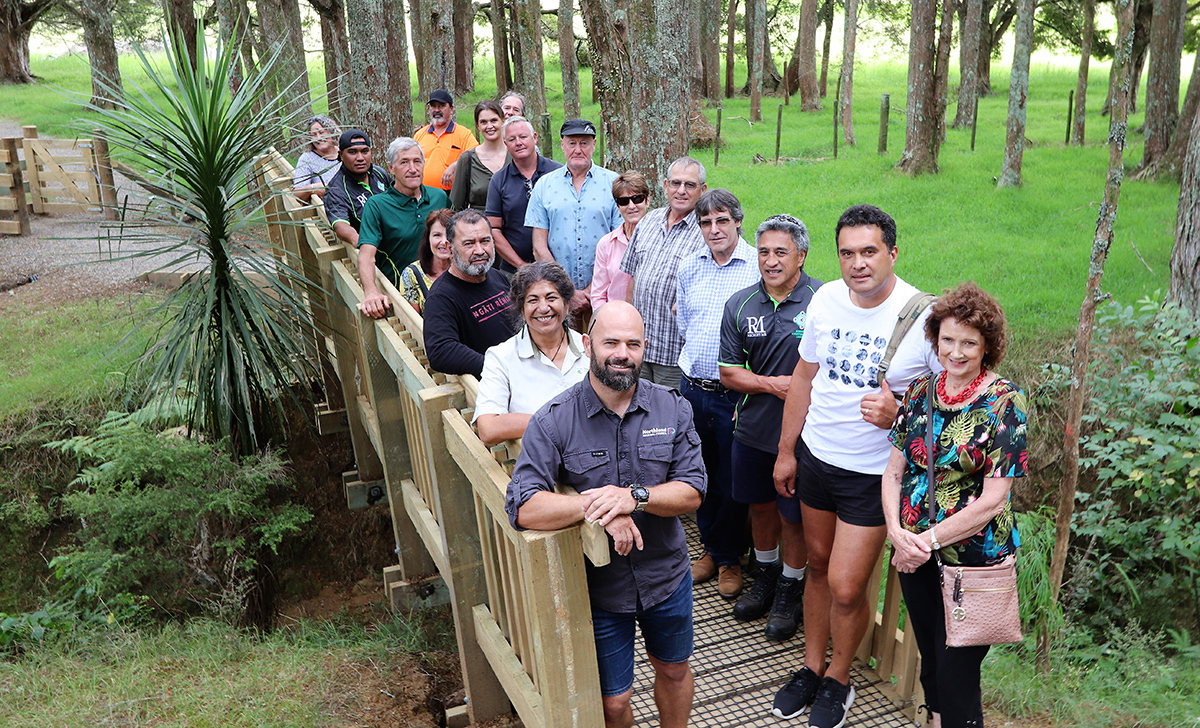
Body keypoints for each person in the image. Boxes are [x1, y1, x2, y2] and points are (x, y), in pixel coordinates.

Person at [770, 204, 941, 728]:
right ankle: (811, 667)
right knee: (816, 567)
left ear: (893, 252)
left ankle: (839, 680)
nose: (858, 263)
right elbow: (804, 375)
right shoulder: (824, 299)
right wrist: (786, 449)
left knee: (846, 585)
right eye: (847, 253)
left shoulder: (924, 318)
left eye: (870, 252)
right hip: (818, 456)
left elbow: (953, 405)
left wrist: (901, 415)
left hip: (873, 476)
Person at [504, 301, 705, 728]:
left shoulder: (673, 408)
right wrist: (597, 505)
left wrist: (634, 496)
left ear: (645, 348)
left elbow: (692, 491)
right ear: (586, 343)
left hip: (666, 576)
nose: (622, 353)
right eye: (610, 341)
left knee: (673, 670)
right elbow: (523, 506)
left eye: (633, 344)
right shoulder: (554, 420)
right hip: (597, 590)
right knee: (613, 702)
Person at [883, 282, 1027, 728]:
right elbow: (892, 473)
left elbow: (992, 500)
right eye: (948, 340)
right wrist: (896, 533)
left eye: (969, 343)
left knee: (958, 672)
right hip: (914, 554)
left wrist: (923, 540)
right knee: (931, 661)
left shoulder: (1006, 402)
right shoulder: (921, 391)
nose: (956, 352)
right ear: (935, 339)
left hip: (974, 563)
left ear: (988, 347)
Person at [719, 214, 823, 640]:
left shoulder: (824, 301)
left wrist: (795, 391)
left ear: (801, 255)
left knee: (793, 517)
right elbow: (728, 372)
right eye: (763, 251)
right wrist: (773, 385)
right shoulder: (740, 304)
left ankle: (790, 586)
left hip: (805, 438)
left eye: (781, 252)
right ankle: (764, 575)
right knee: (759, 507)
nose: (771, 260)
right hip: (753, 431)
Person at [674, 189, 759, 601]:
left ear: (738, 222)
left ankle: (728, 558)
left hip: (735, 395)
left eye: (722, 220)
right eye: (705, 223)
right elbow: (685, 325)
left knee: (730, 477)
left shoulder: (756, 268)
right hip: (693, 389)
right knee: (699, 473)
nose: (714, 230)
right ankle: (710, 548)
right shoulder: (689, 267)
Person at [473, 262, 589, 445]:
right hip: (539, 468)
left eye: (551, 298)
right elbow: (488, 428)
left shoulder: (590, 350)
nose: (543, 308)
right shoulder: (501, 356)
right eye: (533, 300)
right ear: (521, 309)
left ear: (567, 305)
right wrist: (556, 422)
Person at [618, 157, 708, 391]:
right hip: (639, 349)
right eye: (676, 183)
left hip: (675, 353)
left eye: (690, 185)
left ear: (703, 190)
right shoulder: (648, 221)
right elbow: (633, 280)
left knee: (669, 420)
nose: (681, 191)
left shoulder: (707, 232)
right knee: (635, 413)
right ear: (665, 185)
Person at [525, 118, 622, 317]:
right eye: (572, 143)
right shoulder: (544, 185)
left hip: (604, 294)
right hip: (557, 296)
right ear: (562, 145)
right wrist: (567, 290)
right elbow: (539, 246)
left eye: (584, 143)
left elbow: (619, 244)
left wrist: (591, 290)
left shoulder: (613, 183)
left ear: (594, 144)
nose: (578, 150)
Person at [357, 138, 450, 319]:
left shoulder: (439, 196)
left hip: (444, 289)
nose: (413, 169)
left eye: (417, 161)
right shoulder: (377, 205)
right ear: (391, 168)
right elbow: (366, 255)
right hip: (403, 298)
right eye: (404, 162)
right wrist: (371, 292)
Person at [423, 209, 516, 377]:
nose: (480, 250)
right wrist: (496, 368)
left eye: (485, 241)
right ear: (450, 249)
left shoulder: (497, 276)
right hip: (496, 386)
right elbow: (440, 351)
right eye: (469, 243)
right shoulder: (441, 297)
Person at [485, 116, 563, 273]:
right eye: (512, 139)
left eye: (523, 137)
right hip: (514, 270)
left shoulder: (558, 173)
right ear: (506, 144)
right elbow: (493, 229)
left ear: (534, 138)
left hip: (560, 266)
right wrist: (521, 265)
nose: (518, 143)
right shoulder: (499, 180)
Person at [589, 171, 648, 310]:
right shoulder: (606, 244)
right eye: (624, 201)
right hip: (615, 322)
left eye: (637, 199)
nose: (631, 206)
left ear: (648, 200)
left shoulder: (661, 241)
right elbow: (598, 295)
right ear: (617, 206)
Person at [323, 129, 391, 247]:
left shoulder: (379, 173)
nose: (360, 158)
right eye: (352, 152)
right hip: (374, 248)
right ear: (341, 155)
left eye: (365, 151)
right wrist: (362, 243)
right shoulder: (335, 189)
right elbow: (340, 225)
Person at [450, 100, 509, 212]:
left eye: (494, 120)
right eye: (483, 122)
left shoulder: (515, 156)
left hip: (514, 225)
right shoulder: (467, 159)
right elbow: (456, 206)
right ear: (477, 126)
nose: (489, 126)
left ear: (503, 121)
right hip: (479, 225)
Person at [414, 89, 479, 191]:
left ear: (451, 109)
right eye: (433, 106)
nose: (437, 110)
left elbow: (476, 156)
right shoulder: (420, 134)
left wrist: (455, 165)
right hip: (422, 194)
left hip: (451, 194)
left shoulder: (464, 134)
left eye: (442, 106)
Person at [398, 208, 454, 314]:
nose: (444, 242)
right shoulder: (412, 274)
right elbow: (413, 321)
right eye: (437, 235)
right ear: (428, 238)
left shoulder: (468, 269)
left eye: (449, 235)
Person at [293, 115, 341, 202]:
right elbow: (298, 194)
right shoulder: (307, 159)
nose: (319, 137)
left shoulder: (345, 153)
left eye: (322, 132)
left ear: (331, 132)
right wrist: (313, 188)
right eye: (314, 135)